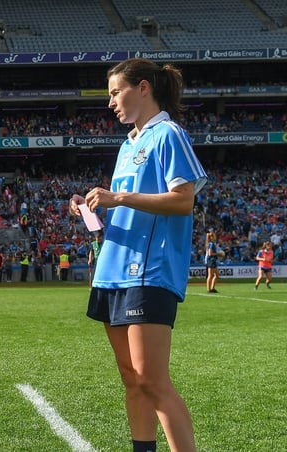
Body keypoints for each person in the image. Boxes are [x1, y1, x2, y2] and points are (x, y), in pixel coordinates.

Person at [69, 57, 205, 452]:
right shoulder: (129, 143)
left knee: (152, 380)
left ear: (143, 87)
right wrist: (94, 207)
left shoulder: (168, 134)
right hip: (113, 271)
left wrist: (119, 197)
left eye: (116, 92)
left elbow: (183, 200)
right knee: (131, 379)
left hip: (149, 271)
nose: (111, 101)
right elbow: (127, 207)